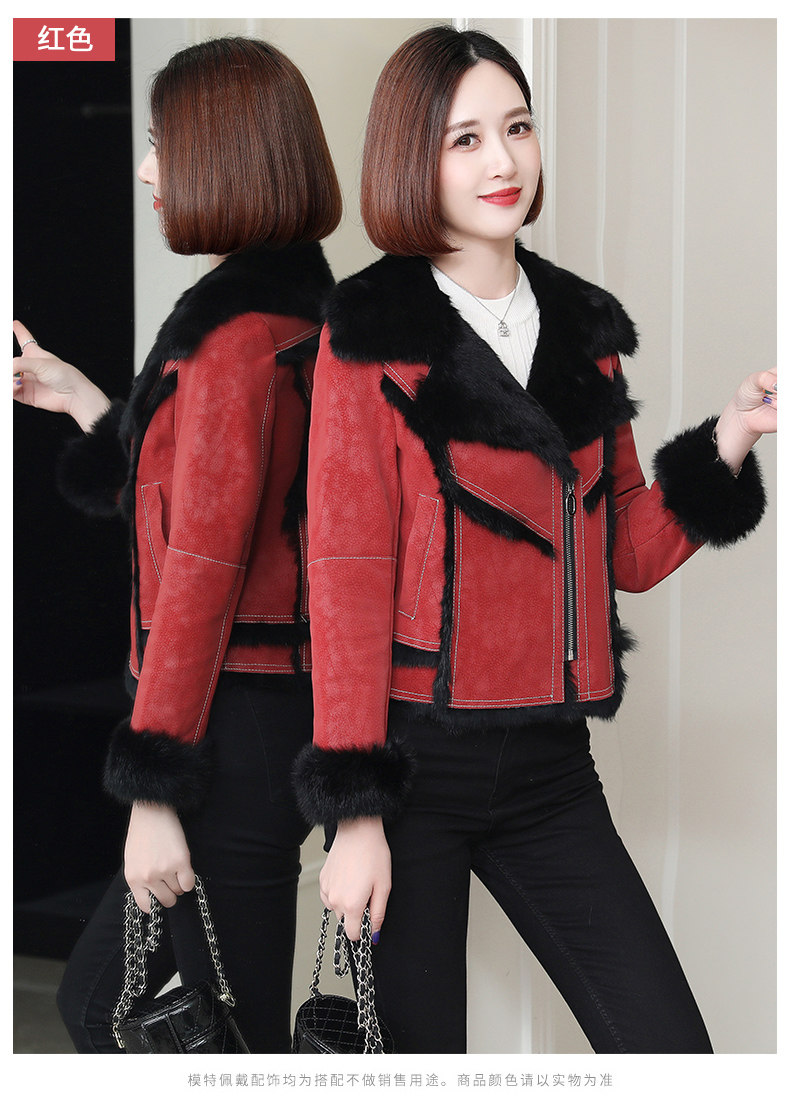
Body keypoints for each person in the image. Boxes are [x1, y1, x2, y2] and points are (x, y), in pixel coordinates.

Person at [292, 25, 776, 1055]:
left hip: (552, 765)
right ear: (412, 159)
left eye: (516, 127)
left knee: (668, 1053)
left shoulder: (583, 329)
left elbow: (628, 551)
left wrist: (730, 436)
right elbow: (344, 580)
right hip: (411, 766)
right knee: (421, 1063)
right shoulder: (368, 332)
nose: (502, 160)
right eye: (464, 139)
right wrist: (357, 814)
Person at [13, 36, 341, 1053]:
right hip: (267, 712)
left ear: (225, 154)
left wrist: (153, 790)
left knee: (160, 1023)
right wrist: (84, 398)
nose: (147, 169)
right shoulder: (291, 310)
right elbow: (201, 500)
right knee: (209, 1027)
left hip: (229, 730)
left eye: (162, 143)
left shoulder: (234, 340)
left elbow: (199, 571)